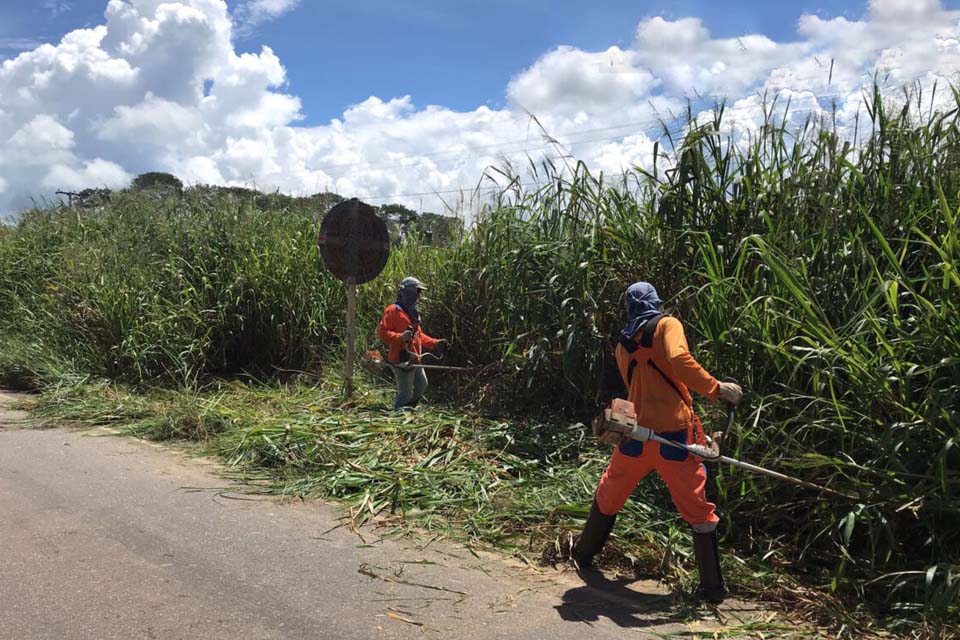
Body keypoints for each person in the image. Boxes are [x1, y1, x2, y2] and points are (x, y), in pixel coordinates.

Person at [574, 282, 743, 603]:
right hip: (674, 438)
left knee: (610, 491)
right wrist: (716, 388)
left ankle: (583, 555)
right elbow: (679, 360)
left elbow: (634, 387)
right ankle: (712, 589)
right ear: (655, 303)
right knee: (697, 510)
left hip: (635, 434)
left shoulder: (623, 345)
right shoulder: (667, 324)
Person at [377, 277, 446, 410]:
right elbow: (382, 333)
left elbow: (418, 335)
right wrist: (400, 337)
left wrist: (435, 343)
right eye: (417, 292)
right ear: (407, 292)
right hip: (401, 359)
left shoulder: (412, 312)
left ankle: (409, 410)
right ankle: (398, 419)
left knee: (422, 385)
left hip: (415, 357)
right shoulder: (393, 310)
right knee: (405, 393)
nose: (418, 296)